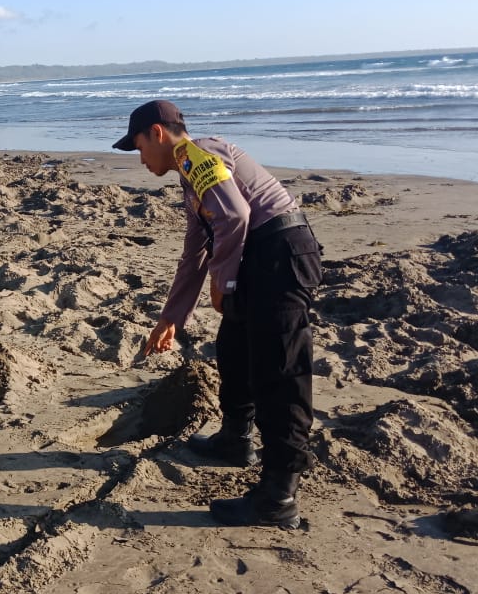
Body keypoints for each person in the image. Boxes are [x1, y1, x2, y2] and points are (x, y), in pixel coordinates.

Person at [113, 100, 322, 529]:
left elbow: (235, 216)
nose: (140, 160)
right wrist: (171, 317)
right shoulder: (192, 178)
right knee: (234, 349)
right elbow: (195, 252)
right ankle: (234, 440)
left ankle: (278, 497)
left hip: (280, 254)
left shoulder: (196, 154)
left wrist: (223, 282)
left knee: (277, 373)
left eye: (137, 147)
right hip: (260, 257)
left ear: (157, 133)